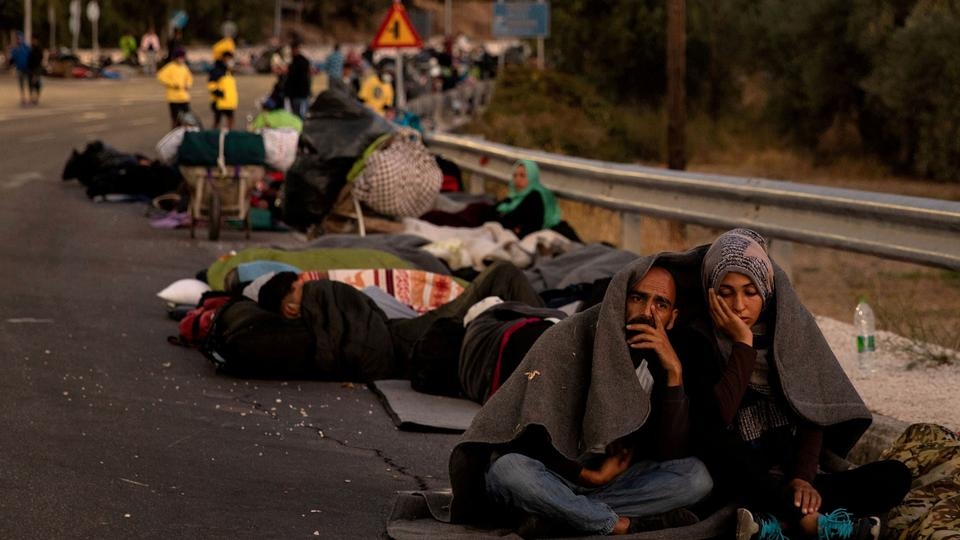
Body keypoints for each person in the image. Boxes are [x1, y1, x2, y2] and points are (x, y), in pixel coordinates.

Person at [448, 257, 714, 537]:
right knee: (508, 470)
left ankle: (560, 516)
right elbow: (527, 436)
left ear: (672, 317)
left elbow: (670, 451)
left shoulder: (671, 358)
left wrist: (673, 374)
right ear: (619, 301)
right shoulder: (569, 338)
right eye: (637, 298)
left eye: (661, 304)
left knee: (696, 477)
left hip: (612, 484)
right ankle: (617, 524)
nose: (647, 312)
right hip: (553, 474)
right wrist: (587, 476)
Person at [689, 228, 911, 540]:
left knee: (894, 476)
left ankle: (775, 522)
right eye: (725, 293)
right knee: (722, 454)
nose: (739, 305)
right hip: (737, 476)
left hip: (788, 474)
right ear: (709, 291)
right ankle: (810, 524)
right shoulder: (698, 340)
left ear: (766, 291)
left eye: (749, 293)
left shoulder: (788, 333)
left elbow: (812, 411)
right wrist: (743, 347)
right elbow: (717, 420)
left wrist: (803, 479)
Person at [156, 48, 193, 129]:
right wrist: (172, 84)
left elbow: (189, 78)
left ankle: (187, 134)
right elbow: (160, 76)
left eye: (183, 57)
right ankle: (174, 133)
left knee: (188, 118)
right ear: (175, 58)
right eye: (180, 57)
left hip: (184, 97)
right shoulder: (170, 67)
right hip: (173, 98)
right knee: (175, 119)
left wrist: (188, 85)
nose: (181, 59)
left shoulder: (184, 67)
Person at [207, 51, 238, 129]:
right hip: (220, 102)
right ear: (224, 58)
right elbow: (211, 84)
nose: (231, 61)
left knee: (231, 120)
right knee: (217, 121)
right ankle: (213, 137)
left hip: (229, 102)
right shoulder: (217, 70)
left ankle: (229, 137)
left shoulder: (229, 71)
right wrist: (218, 93)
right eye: (229, 59)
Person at [284, 41, 312, 120]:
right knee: (297, 115)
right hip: (296, 94)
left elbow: (304, 78)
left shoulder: (300, 62)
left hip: (300, 94)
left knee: (300, 116)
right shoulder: (296, 62)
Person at [9, 32, 31, 106]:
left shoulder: (26, 47)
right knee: (21, 84)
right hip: (20, 69)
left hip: (27, 69)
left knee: (28, 83)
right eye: (18, 39)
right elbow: (12, 60)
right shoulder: (15, 49)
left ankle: (30, 97)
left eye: (20, 38)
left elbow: (30, 57)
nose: (19, 40)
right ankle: (23, 98)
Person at [26, 36, 44, 106]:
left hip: (36, 69)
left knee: (36, 84)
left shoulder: (39, 49)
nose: (33, 41)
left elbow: (39, 59)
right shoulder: (31, 48)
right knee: (30, 84)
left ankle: (36, 98)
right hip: (30, 69)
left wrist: (36, 71)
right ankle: (31, 98)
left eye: (34, 40)